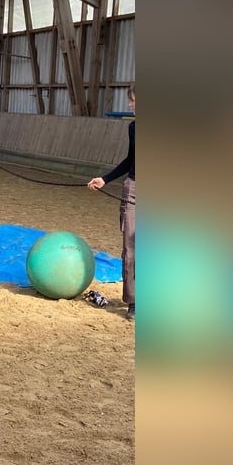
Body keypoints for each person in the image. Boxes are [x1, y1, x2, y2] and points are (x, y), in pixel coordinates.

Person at [88, 84, 135, 321]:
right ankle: (134, 302)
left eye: (133, 100)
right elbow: (130, 161)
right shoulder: (134, 127)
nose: (130, 104)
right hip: (134, 189)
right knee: (131, 248)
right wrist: (105, 179)